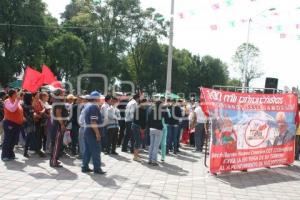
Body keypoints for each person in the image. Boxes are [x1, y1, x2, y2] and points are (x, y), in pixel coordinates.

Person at [82, 91, 106, 174]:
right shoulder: (94, 107)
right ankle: (97, 168)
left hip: (87, 131)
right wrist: (97, 134)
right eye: (99, 98)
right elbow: (93, 122)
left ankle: (84, 167)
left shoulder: (89, 106)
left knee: (88, 150)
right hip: (92, 132)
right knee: (96, 150)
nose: (101, 99)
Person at [1, 89, 24, 161]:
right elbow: (12, 109)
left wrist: (22, 118)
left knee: (14, 140)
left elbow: (19, 111)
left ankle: (10, 154)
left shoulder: (16, 101)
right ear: (12, 94)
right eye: (16, 94)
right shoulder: (7, 101)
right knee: (8, 139)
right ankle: (4, 155)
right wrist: (17, 100)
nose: (17, 95)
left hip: (17, 124)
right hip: (9, 123)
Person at [49, 89, 68, 168]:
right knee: (56, 144)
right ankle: (54, 161)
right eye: (63, 92)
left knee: (55, 143)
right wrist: (62, 124)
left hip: (56, 125)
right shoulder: (59, 102)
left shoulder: (57, 101)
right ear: (59, 94)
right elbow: (58, 113)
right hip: (58, 126)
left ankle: (54, 160)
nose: (64, 93)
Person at [148, 101, 166, 166]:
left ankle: (150, 159)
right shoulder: (161, 111)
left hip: (151, 128)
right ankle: (154, 161)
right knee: (156, 146)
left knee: (151, 145)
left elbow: (148, 119)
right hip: (158, 129)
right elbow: (166, 117)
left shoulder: (150, 110)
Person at [32, 92, 46, 157]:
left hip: (40, 120)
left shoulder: (40, 101)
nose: (38, 96)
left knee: (40, 135)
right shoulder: (32, 101)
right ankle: (37, 149)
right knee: (37, 135)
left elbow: (44, 108)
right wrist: (36, 114)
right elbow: (32, 111)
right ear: (34, 96)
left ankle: (38, 148)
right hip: (35, 120)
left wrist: (41, 112)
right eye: (37, 95)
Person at [22, 92, 35, 158]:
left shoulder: (26, 104)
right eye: (31, 96)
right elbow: (31, 113)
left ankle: (27, 150)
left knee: (29, 137)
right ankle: (25, 152)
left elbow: (32, 112)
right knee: (28, 137)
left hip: (30, 122)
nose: (32, 97)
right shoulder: (25, 105)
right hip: (28, 123)